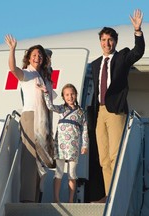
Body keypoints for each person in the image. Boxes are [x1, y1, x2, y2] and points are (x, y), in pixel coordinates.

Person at [90, 9, 145, 203]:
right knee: (103, 159)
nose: (107, 43)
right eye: (104, 40)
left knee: (115, 155)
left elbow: (138, 52)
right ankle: (108, 195)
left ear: (115, 42)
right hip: (101, 112)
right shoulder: (96, 64)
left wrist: (137, 30)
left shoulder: (122, 57)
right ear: (100, 42)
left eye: (110, 40)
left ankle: (117, 194)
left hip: (115, 111)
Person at [5, 34, 55, 203]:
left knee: (41, 161)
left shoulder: (46, 80)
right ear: (29, 58)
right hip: (31, 117)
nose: (37, 58)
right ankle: (27, 199)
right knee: (30, 159)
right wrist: (12, 50)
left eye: (40, 55)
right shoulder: (27, 74)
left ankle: (36, 197)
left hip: (45, 120)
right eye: (34, 55)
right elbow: (13, 70)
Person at [37, 83, 89, 203]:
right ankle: (56, 199)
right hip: (60, 145)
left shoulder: (81, 112)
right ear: (63, 96)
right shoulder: (61, 108)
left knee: (72, 173)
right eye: (67, 95)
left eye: (72, 94)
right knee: (59, 172)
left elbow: (85, 129)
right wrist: (45, 92)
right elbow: (50, 106)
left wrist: (85, 145)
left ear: (76, 95)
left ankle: (71, 200)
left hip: (74, 145)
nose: (70, 97)